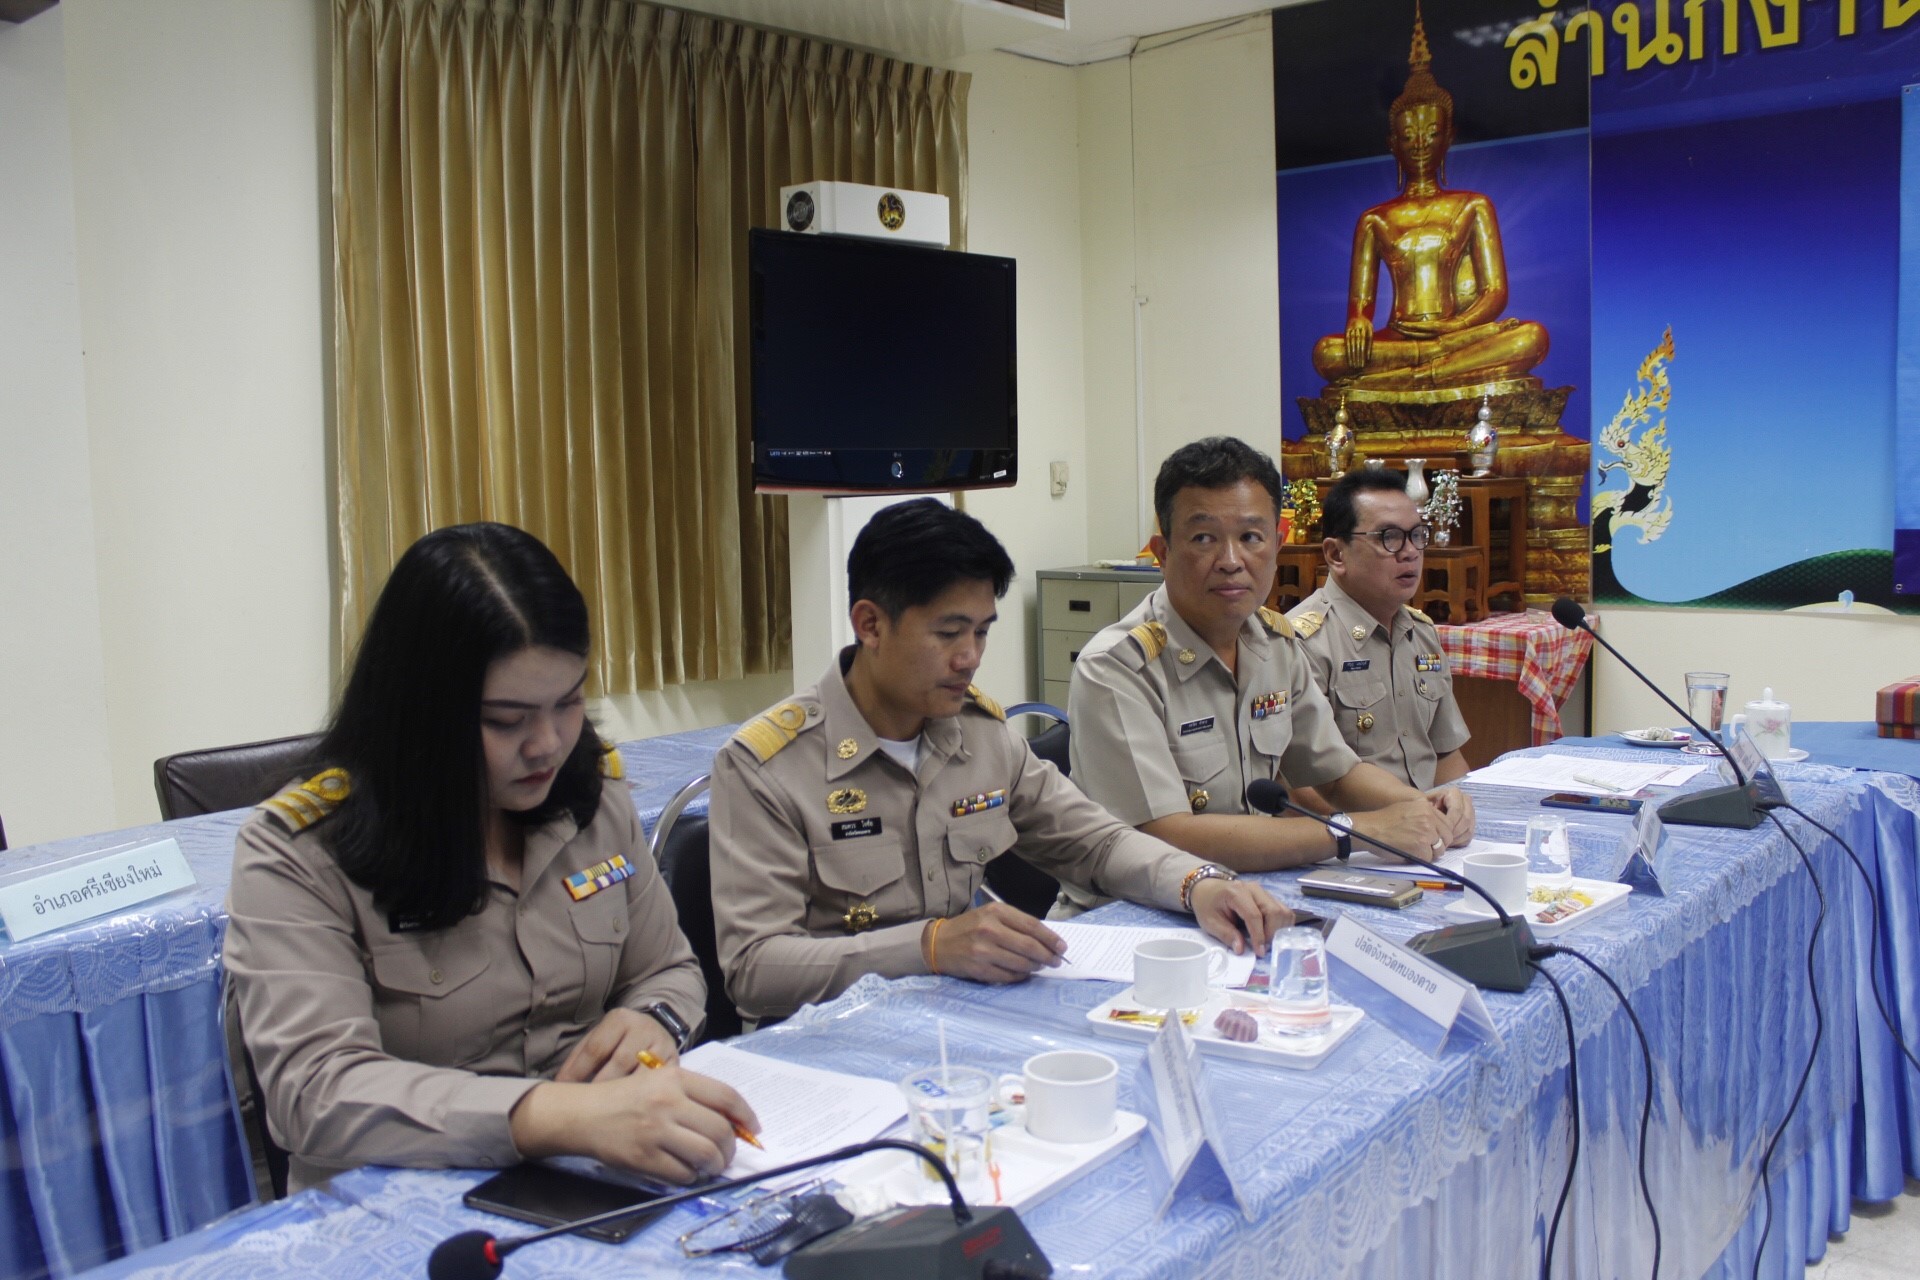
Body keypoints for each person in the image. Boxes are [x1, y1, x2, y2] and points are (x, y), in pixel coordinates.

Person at [224, 523, 756, 1193]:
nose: (548, 745)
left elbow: (670, 968)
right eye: (506, 720)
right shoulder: (299, 853)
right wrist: (554, 1115)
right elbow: (316, 1094)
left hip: (595, 1172)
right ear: (420, 714)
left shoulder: (589, 796)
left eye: (568, 704)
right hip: (397, 1199)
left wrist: (650, 1022)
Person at [708, 499, 1291, 1024]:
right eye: (948, 633)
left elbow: (1098, 843)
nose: (970, 659)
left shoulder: (980, 736)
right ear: (870, 624)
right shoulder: (768, 767)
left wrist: (1199, 883)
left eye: (982, 633)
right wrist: (929, 947)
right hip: (825, 1045)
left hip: (960, 1021)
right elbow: (755, 971)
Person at [1069, 437, 1473, 880]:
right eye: (1203, 538)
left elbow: (1337, 775)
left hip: (1252, 890)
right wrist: (1354, 832)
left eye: (1250, 537)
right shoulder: (1117, 667)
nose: (1230, 560)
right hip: (1136, 915)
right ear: (1162, 554)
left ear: (1277, 545)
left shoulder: (1274, 645)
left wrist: (1424, 806)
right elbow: (1164, 835)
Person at [1308, 9, 1547, 396]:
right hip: (1399, 340)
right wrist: (1358, 322)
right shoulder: (1375, 219)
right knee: (1327, 353)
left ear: (1448, 136)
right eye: (1408, 135)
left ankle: (1415, 379)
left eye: (1431, 132)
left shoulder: (1473, 206)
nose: (1420, 144)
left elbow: (1495, 294)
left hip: (1455, 336)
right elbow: (1360, 306)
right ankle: (1429, 371)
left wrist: (1452, 329)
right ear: (1393, 144)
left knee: (1531, 338)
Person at [1288, 469, 1472, 792]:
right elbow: (1301, 785)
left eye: (1417, 535)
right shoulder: (1303, 644)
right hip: (1358, 832)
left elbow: (1446, 755)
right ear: (1335, 554)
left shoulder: (1421, 633)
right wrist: (1405, 817)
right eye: (1389, 537)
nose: (1410, 552)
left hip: (1427, 828)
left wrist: (1456, 804)